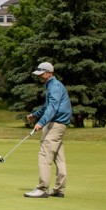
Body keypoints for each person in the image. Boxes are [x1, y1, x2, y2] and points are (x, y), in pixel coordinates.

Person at [24, 62, 72, 198]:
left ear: (49, 73)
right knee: (58, 156)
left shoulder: (54, 86)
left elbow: (53, 107)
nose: (39, 76)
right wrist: (35, 115)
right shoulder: (53, 85)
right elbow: (47, 106)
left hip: (55, 124)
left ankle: (42, 188)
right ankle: (59, 189)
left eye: (41, 73)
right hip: (59, 124)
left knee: (45, 153)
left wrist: (41, 123)